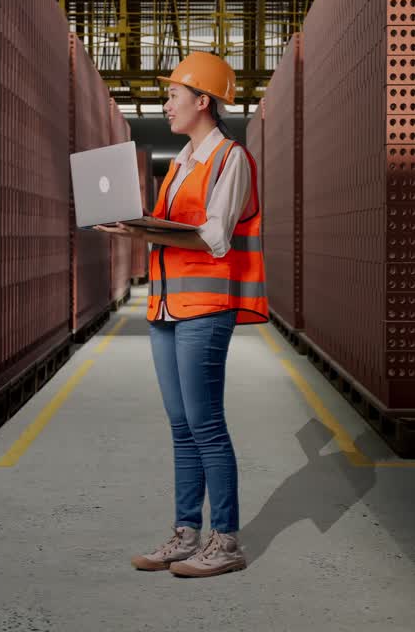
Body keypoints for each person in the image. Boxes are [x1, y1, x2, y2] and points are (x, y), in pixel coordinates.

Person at [95, 51, 269, 578]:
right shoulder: (180, 163)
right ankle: (186, 532)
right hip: (166, 307)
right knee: (180, 425)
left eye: (173, 94)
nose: (166, 103)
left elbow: (215, 237)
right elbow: (170, 233)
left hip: (205, 307)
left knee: (206, 424)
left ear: (203, 100)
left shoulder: (230, 158)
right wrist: (134, 227)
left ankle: (227, 540)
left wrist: (143, 227)